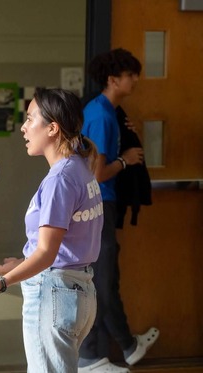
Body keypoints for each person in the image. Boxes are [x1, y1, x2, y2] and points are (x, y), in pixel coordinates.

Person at [0, 88, 103, 373]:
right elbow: (66, 246)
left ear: (52, 128)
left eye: (29, 119)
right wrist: (23, 263)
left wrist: (1, 283)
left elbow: (48, 254)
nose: (23, 128)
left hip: (55, 293)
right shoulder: (81, 168)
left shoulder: (59, 180)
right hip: (80, 292)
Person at [78, 48, 159, 373]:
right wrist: (126, 160)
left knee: (106, 279)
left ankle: (124, 346)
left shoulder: (109, 112)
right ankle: (92, 358)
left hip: (103, 205)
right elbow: (95, 172)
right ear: (113, 79)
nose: (136, 80)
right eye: (130, 75)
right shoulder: (99, 114)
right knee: (101, 280)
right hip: (97, 204)